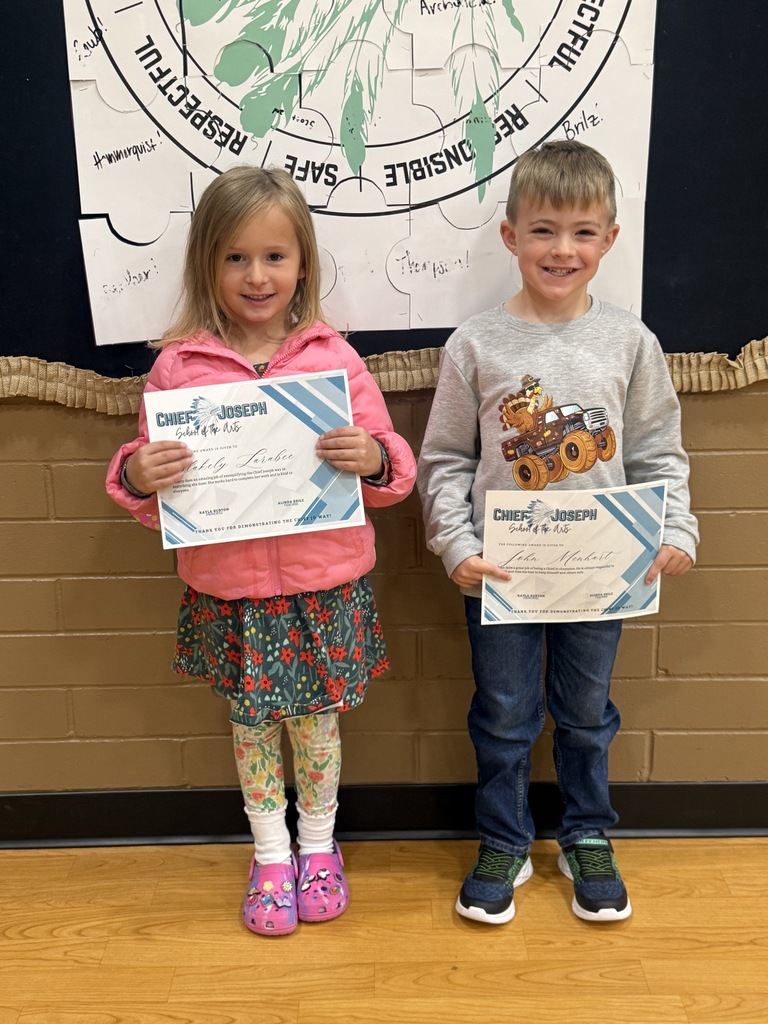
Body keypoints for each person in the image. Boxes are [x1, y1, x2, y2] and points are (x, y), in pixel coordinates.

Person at [106, 165, 417, 936]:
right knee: (251, 727)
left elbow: (393, 472)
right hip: (233, 590)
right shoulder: (179, 367)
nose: (257, 275)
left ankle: (319, 845)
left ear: (302, 263)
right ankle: (270, 853)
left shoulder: (333, 358)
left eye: (275, 257)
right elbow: (151, 492)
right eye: (236, 257)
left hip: (322, 585)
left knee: (315, 724)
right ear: (208, 264)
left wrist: (373, 459)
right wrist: (137, 474)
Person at [417, 140, 698, 925]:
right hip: (501, 574)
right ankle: (504, 840)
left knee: (585, 714)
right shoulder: (475, 344)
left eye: (581, 232)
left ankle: (586, 836)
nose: (561, 249)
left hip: (601, 573)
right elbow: (442, 458)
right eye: (543, 230)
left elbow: (656, 451)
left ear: (609, 240)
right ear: (510, 237)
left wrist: (675, 526)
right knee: (504, 712)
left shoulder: (632, 342)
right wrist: (456, 543)